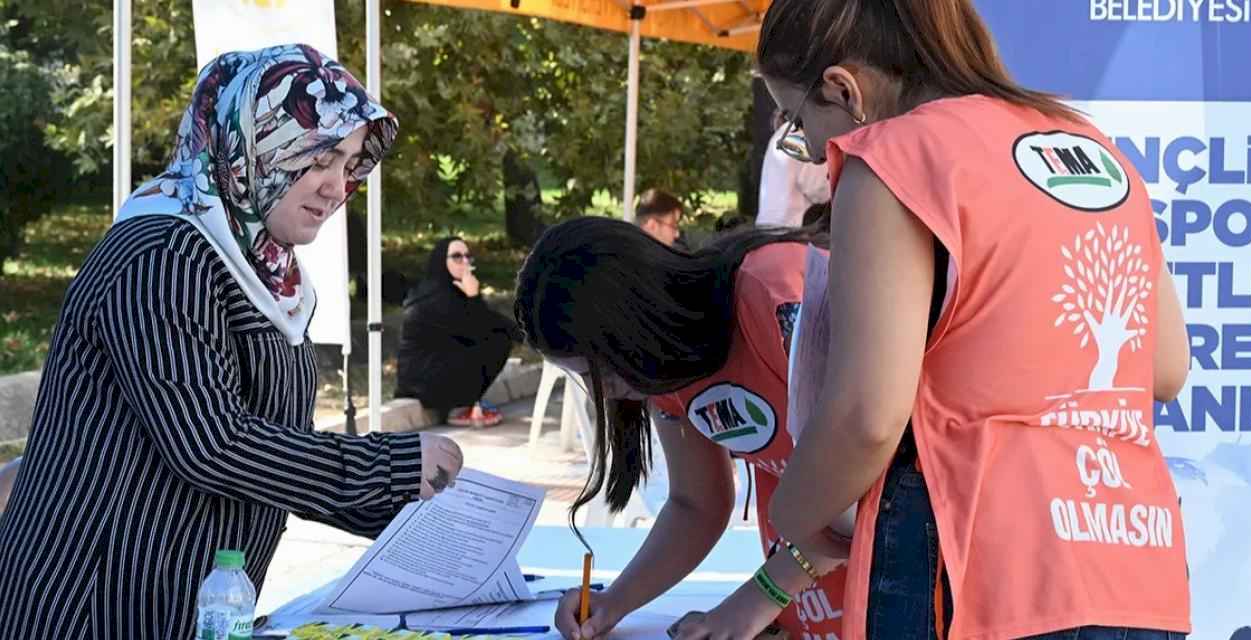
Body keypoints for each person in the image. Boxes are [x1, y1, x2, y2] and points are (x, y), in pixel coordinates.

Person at [755, 2, 1193, 639]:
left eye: (799, 122)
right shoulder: (1092, 148)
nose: (815, 153)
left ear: (844, 88)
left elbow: (867, 417)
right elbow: (1167, 368)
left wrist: (794, 514)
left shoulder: (893, 156)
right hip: (1133, 565)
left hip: (972, 566)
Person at [0, 44, 464, 637]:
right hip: (88, 607)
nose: (337, 187)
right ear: (257, 147)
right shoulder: (161, 255)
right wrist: (390, 467)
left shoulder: (263, 274)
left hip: (186, 605)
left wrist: (418, 517)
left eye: (349, 164)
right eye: (319, 159)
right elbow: (210, 442)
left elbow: (275, 456)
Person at [514, 216, 858, 640]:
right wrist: (614, 602)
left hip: (904, 572)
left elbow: (869, 471)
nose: (599, 392)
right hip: (824, 597)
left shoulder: (773, 294)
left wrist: (757, 598)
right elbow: (696, 504)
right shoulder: (663, 371)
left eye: (594, 371)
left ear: (630, 327)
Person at [395, 236, 518, 427]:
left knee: (498, 338)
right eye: (457, 257)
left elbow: (490, 321)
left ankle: (464, 402)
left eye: (468, 256)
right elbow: (479, 329)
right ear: (441, 261)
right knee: (495, 342)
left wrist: (523, 334)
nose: (465, 262)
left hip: (436, 368)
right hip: (421, 382)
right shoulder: (435, 297)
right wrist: (474, 296)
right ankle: (458, 407)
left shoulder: (452, 289)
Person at [757, 110, 831, 228]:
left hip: (769, 223)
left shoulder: (782, 134)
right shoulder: (802, 135)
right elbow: (817, 189)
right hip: (790, 227)